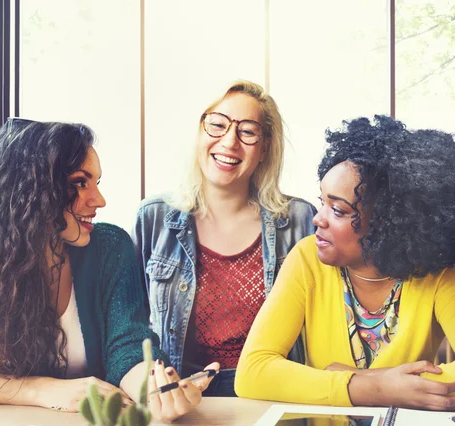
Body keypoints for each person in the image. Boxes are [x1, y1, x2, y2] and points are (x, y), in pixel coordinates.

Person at [0, 118, 216, 422]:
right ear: (29, 188)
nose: (99, 200)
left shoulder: (110, 246)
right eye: (80, 183)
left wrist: (155, 388)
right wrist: (41, 390)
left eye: (96, 183)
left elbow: (128, 346)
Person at [235, 115, 455, 412]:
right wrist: (374, 387)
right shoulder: (306, 260)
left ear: (389, 222)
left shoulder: (440, 278)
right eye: (321, 201)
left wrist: (361, 379)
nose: (318, 218)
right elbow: (253, 372)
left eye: (337, 210)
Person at [132, 80, 317, 396]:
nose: (229, 141)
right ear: (200, 133)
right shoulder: (154, 218)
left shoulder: (299, 221)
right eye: (217, 125)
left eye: (247, 132)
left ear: (265, 148)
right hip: (182, 398)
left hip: (272, 395)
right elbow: (132, 328)